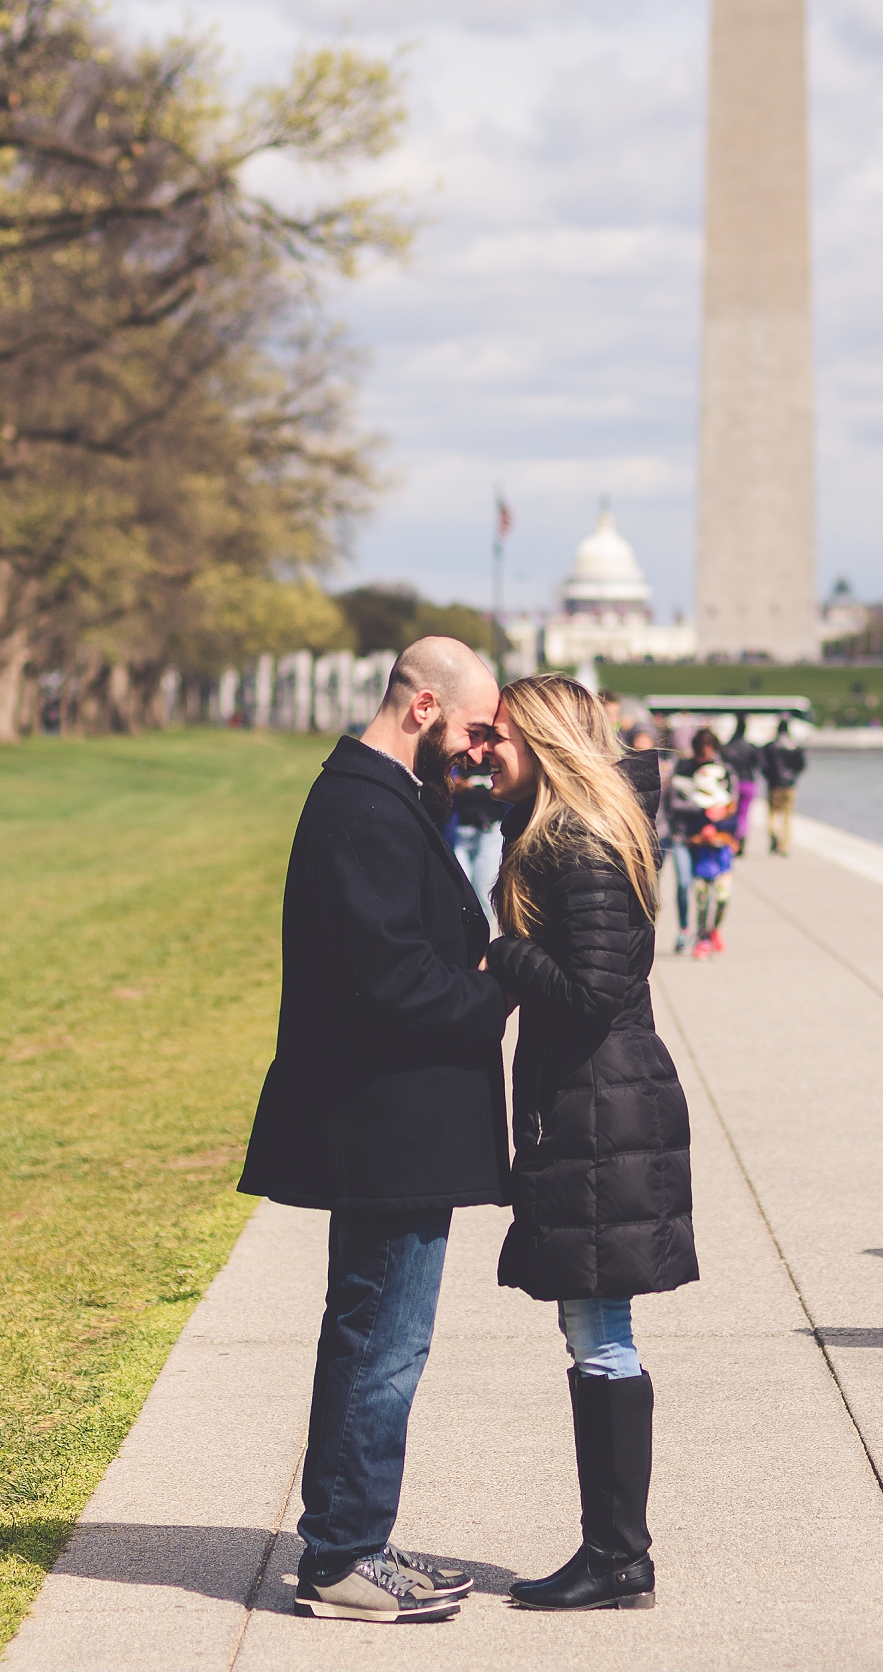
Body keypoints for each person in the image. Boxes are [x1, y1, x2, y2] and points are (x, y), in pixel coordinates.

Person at [239, 637, 509, 1623]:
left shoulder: (387, 797)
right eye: (478, 730)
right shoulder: (362, 805)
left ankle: (359, 1538)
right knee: (379, 1343)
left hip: (399, 1125)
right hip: (383, 1127)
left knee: (386, 1340)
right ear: (426, 706)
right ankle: (340, 1556)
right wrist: (494, 989)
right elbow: (389, 975)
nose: (482, 751)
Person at [484, 675, 698, 1611]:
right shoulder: (562, 828)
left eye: (495, 738)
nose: (483, 752)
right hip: (592, 1105)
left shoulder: (577, 842)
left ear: (540, 741)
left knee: (602, 1334)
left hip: (601, 1105)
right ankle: (610, 1551)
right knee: (591, 1330)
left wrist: (500, 954)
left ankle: (617, 1557)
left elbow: (592, 990)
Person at [686, 727, 738, 955]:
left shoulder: (726, 773)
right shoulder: (689, 774)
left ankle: (715, 928)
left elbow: (736, 815)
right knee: (702, 898)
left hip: (722, 849)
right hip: (701, 850)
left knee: (723, 897)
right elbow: (683, 812)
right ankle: (702, 938)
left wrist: (723, 825)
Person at [448, 756, 506, 929]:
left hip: (489, 833)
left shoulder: (494, 761)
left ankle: (487, 945)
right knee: (456, 893)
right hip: (461, 834)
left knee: (485, 895)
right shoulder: (458, 762)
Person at [663, 737, 704, 955]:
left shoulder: (718, 769)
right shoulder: (681, 772)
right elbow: (673, 804)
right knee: (684, 884)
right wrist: (702, 805)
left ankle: (706, 932)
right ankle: (685, 929)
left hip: (708, 839)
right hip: (681, 838)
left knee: (708, 887)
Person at [761, 717, 807, 856]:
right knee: (787, 816)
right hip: (789, 785)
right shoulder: (795, 746)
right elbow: (801, 766)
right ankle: (784, 845)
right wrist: (793, 776)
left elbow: (763, 765)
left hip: (774, 784)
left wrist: (769, 777)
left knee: (772, 813)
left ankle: (774, 833)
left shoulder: (770, 746)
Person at [723, 714, 760, 855]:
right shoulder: (750, 747)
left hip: (732, 784)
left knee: (731, 813)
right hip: (748, 782)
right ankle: (741, 838)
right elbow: (757, 765)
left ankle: (732, 840)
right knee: (744, 814)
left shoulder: (727, 747)